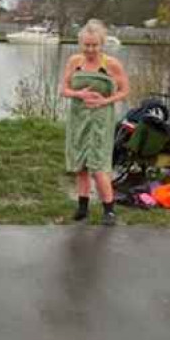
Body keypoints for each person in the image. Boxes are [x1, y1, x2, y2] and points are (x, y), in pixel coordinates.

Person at [61, 19, 129, 225]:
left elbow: (125, 91)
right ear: (81, 44)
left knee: (99, 166)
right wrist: (78, 93)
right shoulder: (75, 62)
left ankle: (109, 210)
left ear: (102, 44)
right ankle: (83, 207)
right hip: (78, 119)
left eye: (94, 45)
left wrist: (106, 101)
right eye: (86, 45)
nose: (90, 49)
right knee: (80, 165)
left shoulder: (111, 65)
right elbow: (63, 89)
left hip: (101, 120)